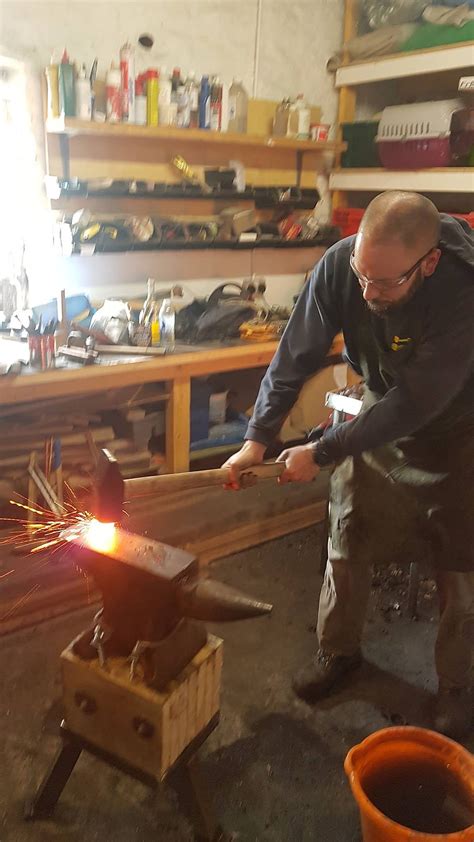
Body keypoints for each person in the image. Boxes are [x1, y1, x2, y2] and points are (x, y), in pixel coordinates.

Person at [223, 191, 474, 738]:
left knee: (462, 569)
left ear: (428, 263)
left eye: (385, 283)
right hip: (380, 415)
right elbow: (296, 352)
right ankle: (340, 655)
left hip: (459, 430)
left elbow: (417, 403)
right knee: (348, 533)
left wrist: (324, 448)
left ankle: (456, 687)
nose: (368, 292)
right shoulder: (343, 265)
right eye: (362, 275)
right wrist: (258, 438)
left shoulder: (461, 290)